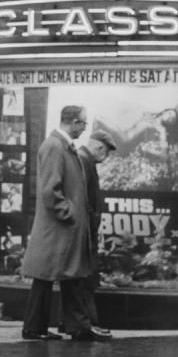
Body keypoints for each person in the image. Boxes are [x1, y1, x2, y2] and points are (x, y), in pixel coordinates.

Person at [20, 105, 109, 342]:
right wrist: (69, 213)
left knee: (65, 276)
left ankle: (63, 326)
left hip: (62, 228)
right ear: (72, 122)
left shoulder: (62, 146)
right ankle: (41, 328)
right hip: (58, 227)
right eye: (83, 123)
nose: (84, 128)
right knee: (50, 276)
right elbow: (50, 190)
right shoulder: (54, 146)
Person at [75, 129, 117, 336]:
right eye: (106, 152)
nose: (105, 157)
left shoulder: (82, 159)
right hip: (85, 232)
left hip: (86, 230)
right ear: (99, 147)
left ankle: (83, 323)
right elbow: (84, 199)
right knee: (86, 279)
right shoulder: (84, 161)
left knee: (84, 279)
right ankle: (89, 323)